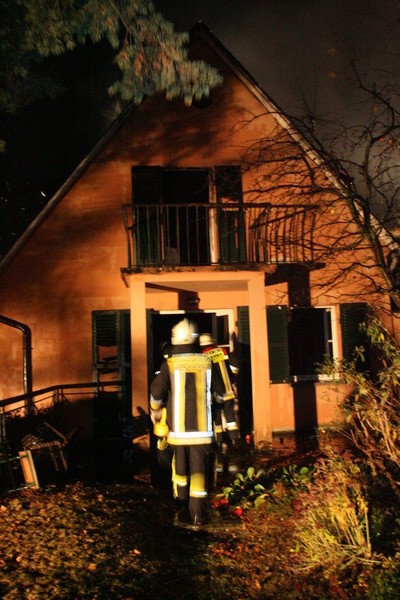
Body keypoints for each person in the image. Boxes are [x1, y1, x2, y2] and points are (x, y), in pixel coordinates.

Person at [150, 318, 215, 527]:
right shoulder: (207, 362)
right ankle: (197, 516)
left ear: (175, 338)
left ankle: (180, 504)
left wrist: (155, 410)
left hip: (178, 431)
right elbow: (219, 393)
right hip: (202, 431)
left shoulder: (169, 364)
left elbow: (156, 392)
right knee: (199, 471)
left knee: (179, 468)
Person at [199, 333, 240, 477]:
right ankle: (234, 445)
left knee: (216, 420)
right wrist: (231, 377)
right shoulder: (223, 351)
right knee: (231, 420)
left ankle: (219, 448)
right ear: (213, 342)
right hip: (227, 391)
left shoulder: (201, 356)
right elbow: (235, 367)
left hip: (213, 394)